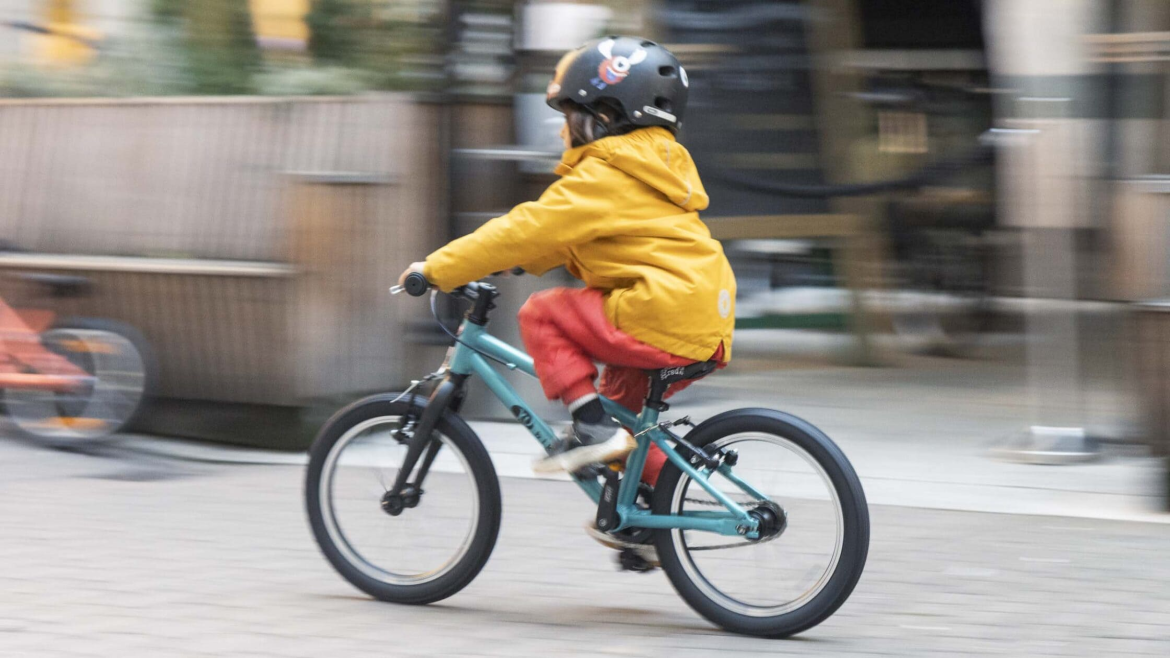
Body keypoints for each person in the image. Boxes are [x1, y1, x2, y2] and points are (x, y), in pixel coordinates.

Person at [398, 36, 735, 479]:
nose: (562, 131)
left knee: (542, 313)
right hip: (704, 319)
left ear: (606, 116)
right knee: (623, 430)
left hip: (661, 312)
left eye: (570, 116)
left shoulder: (604, 174)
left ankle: (590, 428)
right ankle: (652, 524)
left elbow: (525, 230)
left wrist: (437, 269)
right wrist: (518, 262)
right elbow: (569, 238)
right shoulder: (652, 171)